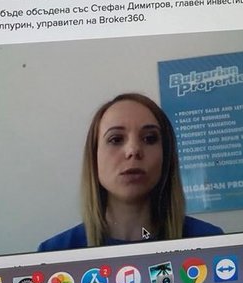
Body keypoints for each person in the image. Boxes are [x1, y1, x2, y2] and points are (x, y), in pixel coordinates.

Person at [38, 93, 222, 251]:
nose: (133, 150)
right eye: (116, 139)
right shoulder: (54, 252)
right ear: (93, 158)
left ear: (166, 157)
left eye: (149, 138)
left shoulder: (210, 242)